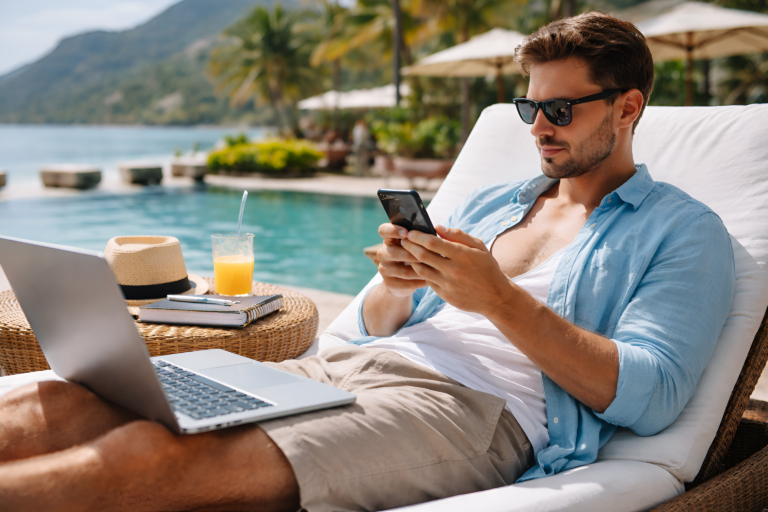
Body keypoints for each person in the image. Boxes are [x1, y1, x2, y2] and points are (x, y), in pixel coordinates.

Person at [0, 12, 735, 512]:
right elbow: (379, 324)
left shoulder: (685, 234)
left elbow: (652, 393)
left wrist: (498, 299)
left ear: (628, 107)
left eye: (560, 110)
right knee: (61, 402)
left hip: (469, 413)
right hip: (343, 372)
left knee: (149, 455)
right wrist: (396, 284)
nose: (538, 128)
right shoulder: (497, 204)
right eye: (528, 108)